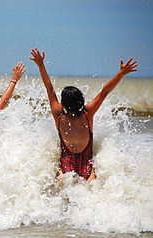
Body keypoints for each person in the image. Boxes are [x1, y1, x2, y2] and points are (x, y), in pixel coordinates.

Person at [29, 47, 138, 182]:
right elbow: (105, 92)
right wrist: (121, 73)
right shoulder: (87, 114)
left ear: (62, 103)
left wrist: (41, 65)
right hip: (87, 169)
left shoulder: (59, 116)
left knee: (61, 181)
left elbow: (49, 88)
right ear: (81, 100)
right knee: (92, 183)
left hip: (66, 168)